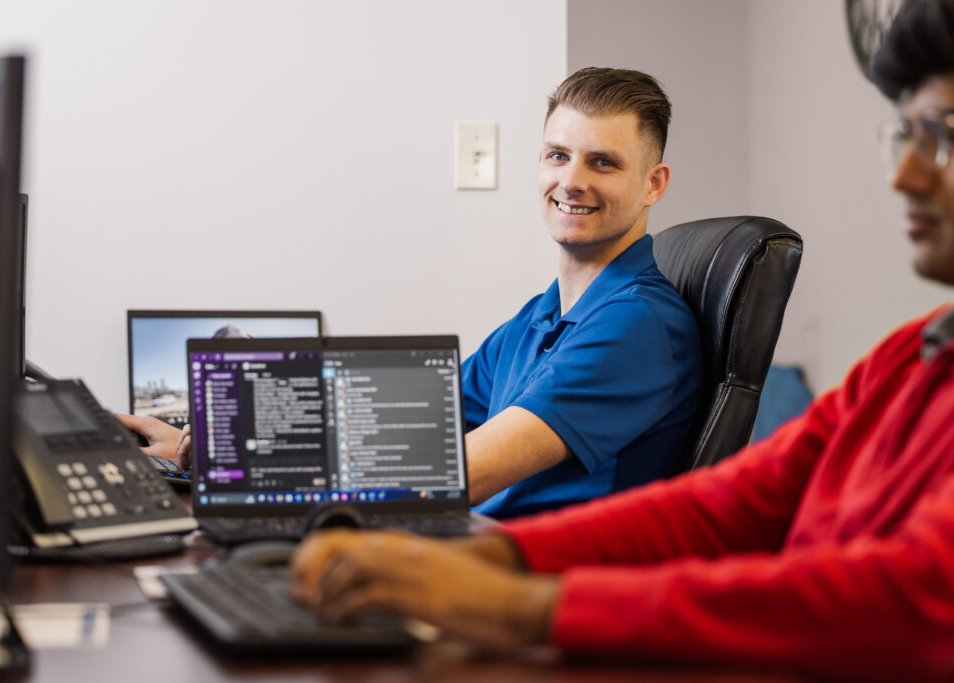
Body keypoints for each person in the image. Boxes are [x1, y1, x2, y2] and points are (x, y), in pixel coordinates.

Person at [289, 1, 954, 678]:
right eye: (909, 137)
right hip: (533, 574)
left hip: (583, 617)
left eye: (946, 136)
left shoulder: (640, 325)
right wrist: (491, 563)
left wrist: (518, 601)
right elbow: (723, 505)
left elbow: (909, 596)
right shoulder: (906, 360)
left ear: (652, 184)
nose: (903, 176)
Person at [120, 68, 702, 518]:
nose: (570, 180)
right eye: (557, 155)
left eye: (603, 162)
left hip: (534, 590)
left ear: (654, 183)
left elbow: (456, 470)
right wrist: (214, 438)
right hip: (471, 551)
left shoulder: (638, 327)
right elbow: (420, 421)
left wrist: (233, 456)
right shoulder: (543, 314)